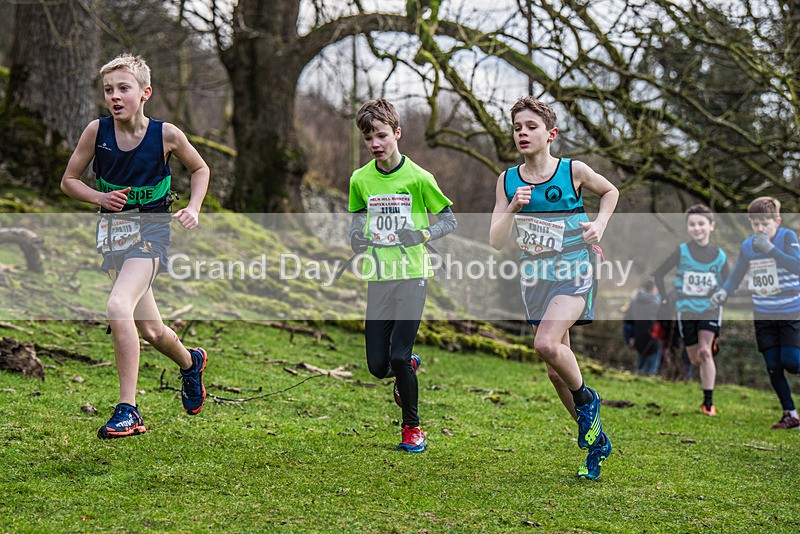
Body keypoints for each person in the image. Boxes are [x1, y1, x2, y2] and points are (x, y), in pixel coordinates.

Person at [60, 53, 210, 439]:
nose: (114, 95)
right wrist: (98, 198)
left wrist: (194, 207)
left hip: (152, 232)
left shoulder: (167, 134)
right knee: (152, 331)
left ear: (145, 93)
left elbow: (200, 168)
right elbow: (69, 181)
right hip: (113, 235)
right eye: (108, 89)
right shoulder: (97, 131)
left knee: (116, 305)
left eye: (123, 88)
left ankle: (128, 409)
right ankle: (190, 362)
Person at [489, 97, 618, 480]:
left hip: (574, 270)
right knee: (556, 372)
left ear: (551, 134)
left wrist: (600, 224)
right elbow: (496, 240)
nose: (523, 133)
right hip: (535, 279)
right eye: (517, 128)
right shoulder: (507, 180)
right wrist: (512, 208)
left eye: (531, 126)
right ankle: (596, 442)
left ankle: (588, 401)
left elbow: (610, 192)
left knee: (545, 345)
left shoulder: (572, 171)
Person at [347, 99, 457, 452]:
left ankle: (413, 428)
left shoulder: (420, 178)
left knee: (396, 356)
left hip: (413, 274)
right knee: (379, 366)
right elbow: (357, 220)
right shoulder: (360, 179)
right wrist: (356, 237)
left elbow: (450, 220)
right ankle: (407, 365)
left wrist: (422, 235)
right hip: (379, 277)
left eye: (381, 135)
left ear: (397, 133)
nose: (375, 144)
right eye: (368, 138)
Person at [711, 197, 800, 429]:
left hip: (791, 311)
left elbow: (797, 266)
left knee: (791, 361)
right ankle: (790, 414)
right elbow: (737, 274)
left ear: (777, 222)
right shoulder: (748, 246)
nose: (760, 229)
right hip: (764, 315)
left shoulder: (787, 237)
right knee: (773, 365)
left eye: (765, 224)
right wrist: (724, 291)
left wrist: (772, 251)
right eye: (755, 224)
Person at [653, 205, 729, 416]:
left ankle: (708, 403)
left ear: (711, 226)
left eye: (701, 224)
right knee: (695, 359)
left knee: (704, 352)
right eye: (692, 224)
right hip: (686, 309)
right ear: (688, 228)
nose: (697, 228)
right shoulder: (682, 252)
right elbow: (658, 274)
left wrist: (722, 295)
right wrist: (667, 298)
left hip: (710, 309)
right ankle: (709, 349)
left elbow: (729, 283)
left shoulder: (719, 256)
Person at [624, 277, 663, 375]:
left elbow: (628, 321)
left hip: (638, 337)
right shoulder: (657, 303)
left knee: (639, 367)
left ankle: (637, 380)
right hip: (653, 338)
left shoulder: (635, 301)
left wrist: (629, 337)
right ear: (653, 288)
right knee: (651, 370)